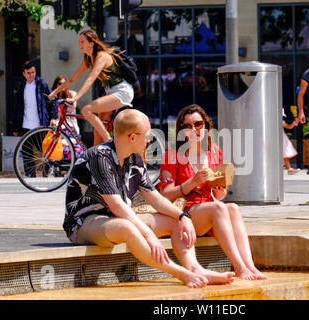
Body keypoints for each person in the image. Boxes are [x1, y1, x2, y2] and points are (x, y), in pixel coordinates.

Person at [63, 108, 235, 288]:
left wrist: (182, 216)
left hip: (116, 218)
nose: (149, 140)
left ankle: (195, 268)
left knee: (174, 221)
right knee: (127, 226)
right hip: (83, 223)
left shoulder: (134, 159)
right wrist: (149, 235)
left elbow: (154, 198)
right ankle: (181, 273)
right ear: (132, 138)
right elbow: (118, 206)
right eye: (146, 135)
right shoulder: (99, 157)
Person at [158, 104, 267, 280]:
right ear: (181, 130)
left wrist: (220, 193)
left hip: (209, 212)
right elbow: (165, 194)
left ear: (206, 126)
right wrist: (193, 182)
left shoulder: (215, 152)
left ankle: (250, 266)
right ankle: (239, 268)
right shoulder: (172, 155)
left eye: (198, 124)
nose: (193, 129)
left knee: (232, 207)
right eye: (187, 126)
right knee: (219, 208)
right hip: (184, 213)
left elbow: (218, 193)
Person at [48, 29, 134, 146]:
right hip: (111, 93)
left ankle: (110, 143)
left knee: (86, 110)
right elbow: (72, 79)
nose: (79, 44)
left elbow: (90, 80)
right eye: (79, 42)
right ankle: (96, 161)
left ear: (91, 43)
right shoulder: (88, 59)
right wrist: (55, 92)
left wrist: (75, 98)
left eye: (82, 42)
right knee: (97, 131)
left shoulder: (101, 56)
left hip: (121, 92)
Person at [12, 61, 57, 177]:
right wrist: (15, 125)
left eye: (33, 72)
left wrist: (54, 117)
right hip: (26, 124)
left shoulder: (41, 84)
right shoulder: (21, 86)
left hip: (41, 124)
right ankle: (29, 174)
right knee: (26, 150)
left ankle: (48, 170)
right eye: (29, 73)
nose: (32, 75)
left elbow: (53, 100)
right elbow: (16, 106)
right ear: (24, 73)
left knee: (45, 149)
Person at [282, 109, 299, 174]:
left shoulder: (282, 122)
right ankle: (289, 168)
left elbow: (289, 127)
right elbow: (289, 127)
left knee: (285, 152)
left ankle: (289, 168)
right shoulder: (281, 122)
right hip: (281, 137)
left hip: (282, 137)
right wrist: (295, 122)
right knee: (285, 152)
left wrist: (295, 122)